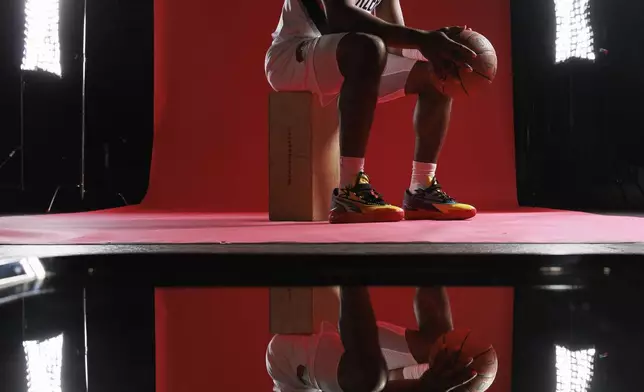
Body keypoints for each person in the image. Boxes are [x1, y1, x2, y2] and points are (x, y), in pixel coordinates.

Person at [265, 0, 479, 224]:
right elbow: (340, 19)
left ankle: (422, 189)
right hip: (292, 56)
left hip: (342, 54)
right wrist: (423, 39)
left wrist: (438, 47)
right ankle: (350, 190)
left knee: (438, 70)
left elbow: (396, 44)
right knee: (367, 46)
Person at [266, 287, 478, 392]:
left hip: (292, 372)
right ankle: (430, 236)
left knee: (366, 380)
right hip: (363, 375)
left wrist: (425, 388)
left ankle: (350, 270)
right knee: (441, 349)